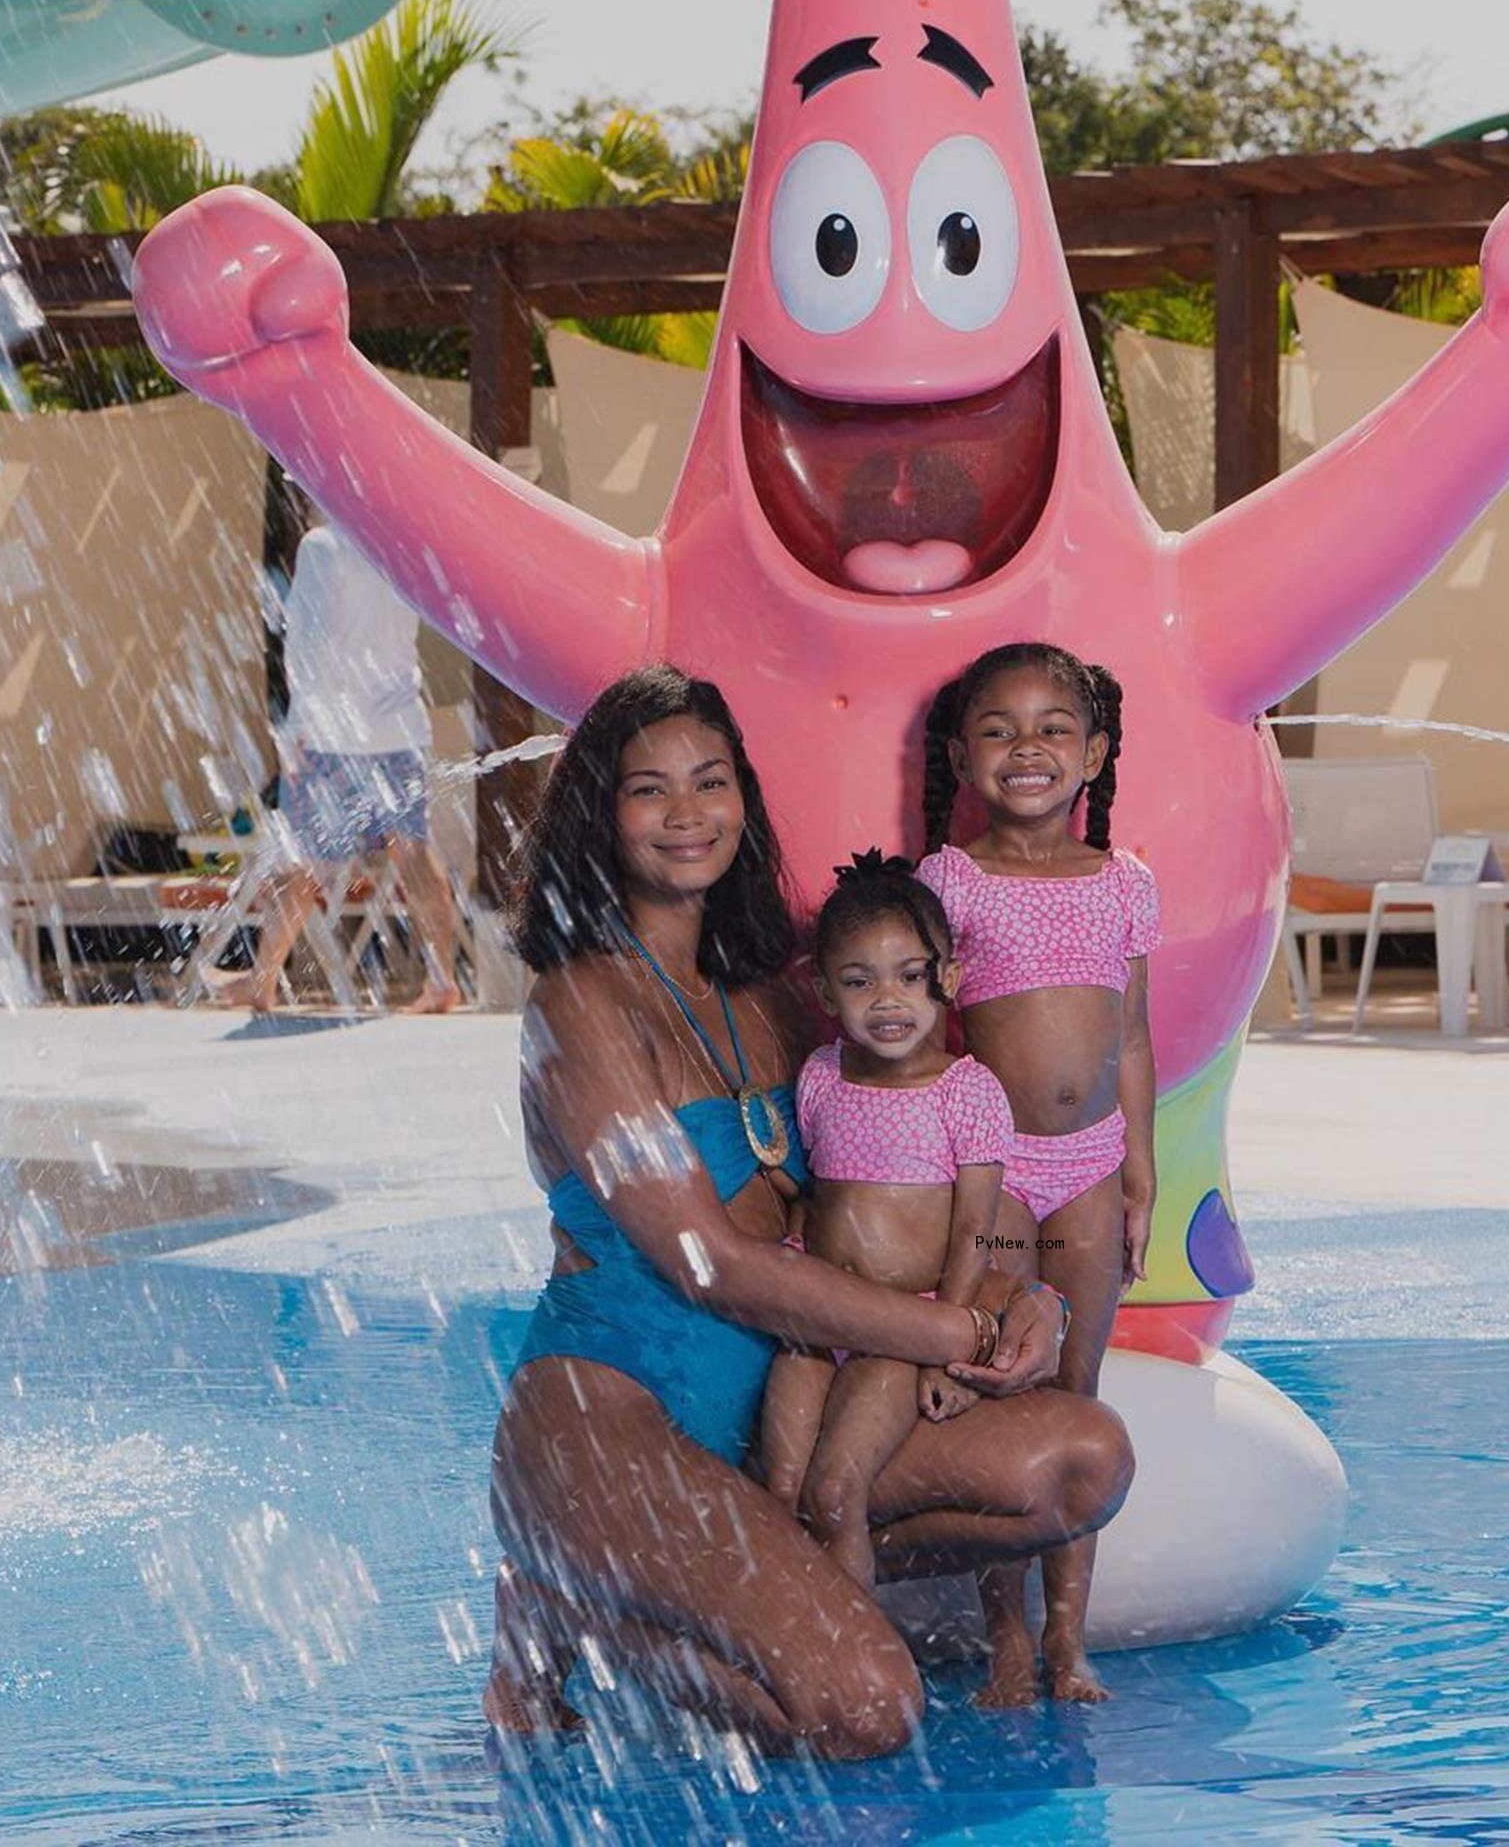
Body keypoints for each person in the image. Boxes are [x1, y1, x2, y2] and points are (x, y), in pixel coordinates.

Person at [483, 665, 1133, 1759]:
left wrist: (1027, 1301)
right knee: (865, 1709)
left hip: (777, 1418)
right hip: (615, 1418)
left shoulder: (782, 998)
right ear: (602, 813)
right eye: (650, 791)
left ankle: (740, 1564)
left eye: (711, 781)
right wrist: (954, 1334)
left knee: (1083, 1458)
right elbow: (711, 1266)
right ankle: (573, 1605)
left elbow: (907, 1174)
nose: (688, 815)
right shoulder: (580, 1003)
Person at [918, 641, 1158, 1708]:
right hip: (1003, 1168)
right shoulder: (951, 879)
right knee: (999, 1390)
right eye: (1000, 729)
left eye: (1055, 727)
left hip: (1093, 1165)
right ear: (964, 760)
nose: (1030, 748)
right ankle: (1005, 1637)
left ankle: (1070, 1645)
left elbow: (1137, 1038)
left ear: (1096, 753)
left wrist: (1140, 1167)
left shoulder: (1126, 880)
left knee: (1077, 1392)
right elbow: (909, 1025)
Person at [760, 850, 1015, 1599]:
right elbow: (816, 1193)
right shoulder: (821, 1075)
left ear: (951, 979)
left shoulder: (966, 1094)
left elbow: (975, 1232)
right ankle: (801, 1650)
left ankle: (863, 1668)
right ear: (824, 990)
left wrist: (946, 1350)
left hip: (904, 1330)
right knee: (779, 1487)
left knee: (835, 1493)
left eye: (910, 975)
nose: (888, 999)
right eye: (858, 981)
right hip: (817, 1320)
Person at [202, 511, 463, 1014]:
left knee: (299, 861)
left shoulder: (321, 546)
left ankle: (263, 980)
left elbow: (308, 647)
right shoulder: (401, 543)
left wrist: (297, 730)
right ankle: (442, 978)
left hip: (334, 731)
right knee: (413, 852)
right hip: (398, 728)